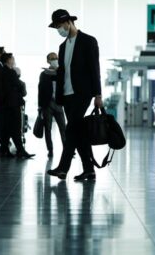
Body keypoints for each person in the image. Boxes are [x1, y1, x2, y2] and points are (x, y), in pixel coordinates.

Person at [46, 9, 103, 182]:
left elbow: (95, 68)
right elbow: (64, 71)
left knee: (71, 130)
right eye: (56, 27)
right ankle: (89, 170)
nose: (59, 29)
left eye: (60, 25)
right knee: (78, 133)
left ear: (69, 22)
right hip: (67, 94)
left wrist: (98, 94)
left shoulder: (88, 41)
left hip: (83, 93)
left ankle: (63, 168)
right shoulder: (63, 46)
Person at [0, 52, 34, 159]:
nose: (14, 59)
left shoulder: (2, 71)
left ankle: (6, 150)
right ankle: (20, 150)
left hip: (6, 104)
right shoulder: (10, 72)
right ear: (8, 60)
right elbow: (18, 85)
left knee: (7, 128)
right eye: (12, 58)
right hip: (13, 104)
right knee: (15, 127)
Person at [38, 52, 66, 157]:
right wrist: (40, 106)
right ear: (48, 61)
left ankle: (67, 149)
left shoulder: (61, 72)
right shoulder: (44, 74)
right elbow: (40, 90)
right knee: (48, 128)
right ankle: (50, 150)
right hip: (47, 104)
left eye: (55, 58)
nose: (54, 60)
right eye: (52, 58)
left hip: (59, 103)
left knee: (63, 127)